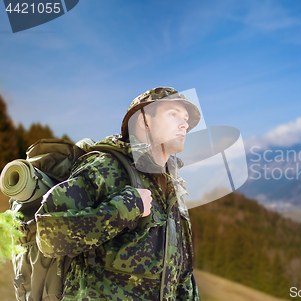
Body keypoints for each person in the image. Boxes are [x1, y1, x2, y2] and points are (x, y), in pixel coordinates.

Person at [35, 87, 201, 301]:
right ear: (144, 120)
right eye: (173, 114)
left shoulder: (172, 189)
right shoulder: (105, 168)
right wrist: (125, 209)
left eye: (186, 119)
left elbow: (182, 273)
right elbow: (49, 236)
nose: (184, 124)